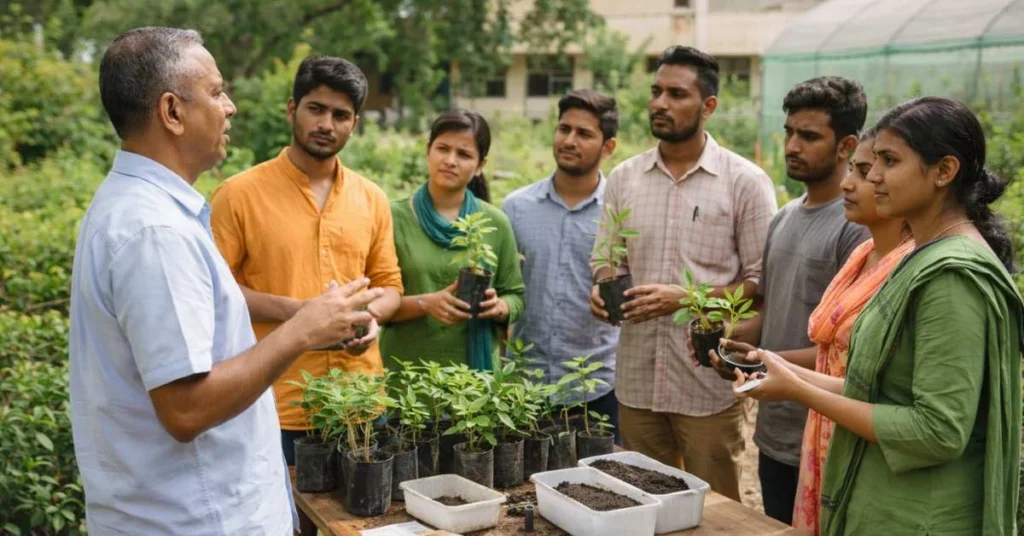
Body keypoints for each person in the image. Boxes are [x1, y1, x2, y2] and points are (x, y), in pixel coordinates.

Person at [70, 27, 381, 534]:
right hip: (194, 518)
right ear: (172, 112)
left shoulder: (142, 211)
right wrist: (304, 330)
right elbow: (186, 410)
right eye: (216, 92)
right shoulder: (155, 232)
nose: (230, 106)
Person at [734, 97, 1022, 535]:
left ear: (944, 171)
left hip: (919, 516)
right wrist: (788, 374)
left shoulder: (952, 278)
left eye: (889, 161)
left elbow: (937, 430)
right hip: (886, 502)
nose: (873, 177)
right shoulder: (924, 254)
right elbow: (885, 392)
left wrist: (800, 390)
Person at [588, 45, 778, 500]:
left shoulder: (744, 182)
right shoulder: (624, 178)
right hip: (636, 382)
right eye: (656, 91)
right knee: (638, 505)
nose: (660, 103)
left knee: (718, 513)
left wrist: (685, 299)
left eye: (676, 94)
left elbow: (760, 284)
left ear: (708, 106)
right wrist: (602, 291)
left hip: (708, 387)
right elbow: (606, 262)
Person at [717, 129, 914, 533]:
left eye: (872, 169)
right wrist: (759, 357)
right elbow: (785, 314)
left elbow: (870, 374)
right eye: (862, 169)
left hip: (853, 432)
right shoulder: (860, 255)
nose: (855, 182)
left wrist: (781, 372)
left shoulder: (906, 267)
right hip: (810, 429)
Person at [209, 55, 403, 465]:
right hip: (277, 405)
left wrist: (372, 316)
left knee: (361, 524)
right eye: (316, 109)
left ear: (354, 123)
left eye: (340, 115)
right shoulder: (238, 195)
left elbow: (390, 285)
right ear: (292, 109)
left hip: (362, 400)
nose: (326, 124)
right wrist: (300, 313)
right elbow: (215, 291)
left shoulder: (372, 198)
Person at [729, 76, 872, 524]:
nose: (792, 145)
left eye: (809, 136)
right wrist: (733, 343)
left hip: (824, 431)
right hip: (775, 429)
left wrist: (765, 360)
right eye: (789, 132)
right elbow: (770, 310)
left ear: (847, 145)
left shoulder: (857, 229)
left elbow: (851, 348)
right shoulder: (785, 218)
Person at [502, 89, 621, 442]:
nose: (569, 140)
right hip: (525, 386)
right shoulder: (516, 208)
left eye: (584, 133)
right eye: (563, 129)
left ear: (609, 147)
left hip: (597, 386)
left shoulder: (620, 214)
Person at [381, 110, 525, 370]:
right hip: (404, 376)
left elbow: (515, 294)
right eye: (442, 148)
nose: (450, 160)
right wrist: (424, 303)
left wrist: (500, 307)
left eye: (464, 154)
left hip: (474, 381)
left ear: (480, 165)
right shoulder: (392, 217)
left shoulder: (495, 222)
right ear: (428, 151)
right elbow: (374, 301)